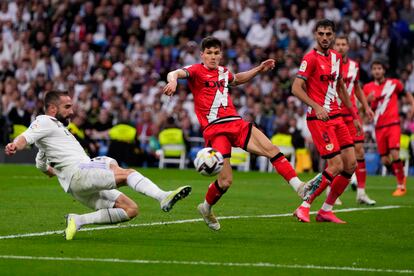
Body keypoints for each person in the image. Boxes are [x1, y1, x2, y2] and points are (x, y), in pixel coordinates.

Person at [163, 36, 316, 231]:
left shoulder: (223, 72)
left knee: (271, 149)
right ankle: (206, 208)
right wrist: (174, 82)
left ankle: (300, 187)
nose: (212, 57)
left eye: (216, 53)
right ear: (202, 55)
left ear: (221, 55)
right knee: (225, 181)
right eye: (209, 53)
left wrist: (259, 69)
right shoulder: (196, 70)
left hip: (235, 122)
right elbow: (173, 73)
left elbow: (238, 79)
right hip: (215, 129)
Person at [4, 90, 191, 240]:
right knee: (125, 173)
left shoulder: (54, 134)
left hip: (77, 186)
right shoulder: (44, 120)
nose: (71, 111)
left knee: (130, 209)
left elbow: (41, 164)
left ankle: (78, 220)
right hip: (80, 173)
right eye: (67, 107)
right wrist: (15, 145)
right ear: (52, 109)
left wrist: (53, 171)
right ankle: (163, 197)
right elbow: (25, 137)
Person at [291, 19, 360, 223]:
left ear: (333, 35)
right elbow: (295, 88)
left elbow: (341, 89)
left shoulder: (337, 58)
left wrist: (354, 116)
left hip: (338, 117)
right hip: (319, 119)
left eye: (328, 34)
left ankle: (326, 210)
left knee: (351, 165)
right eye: (321, 33)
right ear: (315, 35)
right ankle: (304, 207)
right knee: (336, 164)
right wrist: (316, 106)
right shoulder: (310, 59)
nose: (324, 37)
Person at [328, 35, 376, 205]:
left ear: (348, 47)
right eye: (338, 44)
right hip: (334, 112)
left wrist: (367, 107)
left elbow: (357, 88)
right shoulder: (330, 64)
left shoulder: (355, 66)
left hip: (351, 114)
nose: (341, 47)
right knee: (337, 156)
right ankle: (333, 190)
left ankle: (361, 193)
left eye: (344, 44)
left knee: (359, 151)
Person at [363, 61, 414, 196]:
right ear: (372, 71)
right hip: (378, 126)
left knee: (395, 153)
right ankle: (401, 175)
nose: (377, 71)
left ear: (384, 70)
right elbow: (362, 108)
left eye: (379, 68)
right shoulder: (367, 88)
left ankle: (401, 186)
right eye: (374, 69)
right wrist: (367, 100)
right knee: (385, 159)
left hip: (393, 124)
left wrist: (413, 104)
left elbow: (407, 94)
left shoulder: (394, 84)